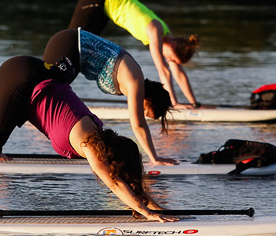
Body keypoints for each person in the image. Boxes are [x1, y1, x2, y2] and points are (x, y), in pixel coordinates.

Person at [0, 56, 177, 223]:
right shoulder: (91, 145)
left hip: (31, 74)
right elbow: (115, 182)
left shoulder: (98, 132)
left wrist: (155, 207)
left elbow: (122, 178)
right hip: (23, 77)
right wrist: (146, 212)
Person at [43, 28, 178, 166]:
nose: (140, 112)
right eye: (144, 110)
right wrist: (154, 158)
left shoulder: (135, 79)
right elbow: (139, 125)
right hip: (70, 44)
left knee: (48, 92)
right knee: (44, 89)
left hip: (72, 50)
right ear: (150, 100)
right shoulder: (135, 82)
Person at [67, 0, 200, 108]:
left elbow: (179, 73)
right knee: (71, 44)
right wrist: (173, 103)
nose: (169, 60)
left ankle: (63, 93)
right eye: (171, 59)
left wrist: (195, 104)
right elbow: (164, 71)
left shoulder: (166, 32)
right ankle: (58, 93)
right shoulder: (155, 30)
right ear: (174, 46)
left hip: (105, 5)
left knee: (81, 49)